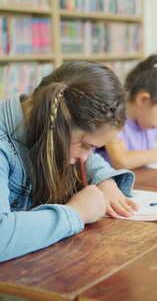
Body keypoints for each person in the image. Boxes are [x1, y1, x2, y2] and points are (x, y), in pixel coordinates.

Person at [0, 61, 137, 262]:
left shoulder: (47, 122)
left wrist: (105, 182)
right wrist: (77, 212)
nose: (86, 156)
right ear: (56, 125)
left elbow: (90, 160)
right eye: (88, 145)